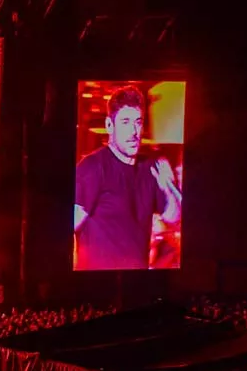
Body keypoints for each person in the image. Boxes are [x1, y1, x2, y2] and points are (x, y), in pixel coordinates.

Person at [74, 85, 182, 270]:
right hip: (98, 282)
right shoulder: (93, 168)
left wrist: (168, 188)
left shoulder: (149, 167)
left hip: (137, 280)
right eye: (125, 122)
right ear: (110, 125)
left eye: (138, 122)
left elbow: (173, 217)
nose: (134, 132)